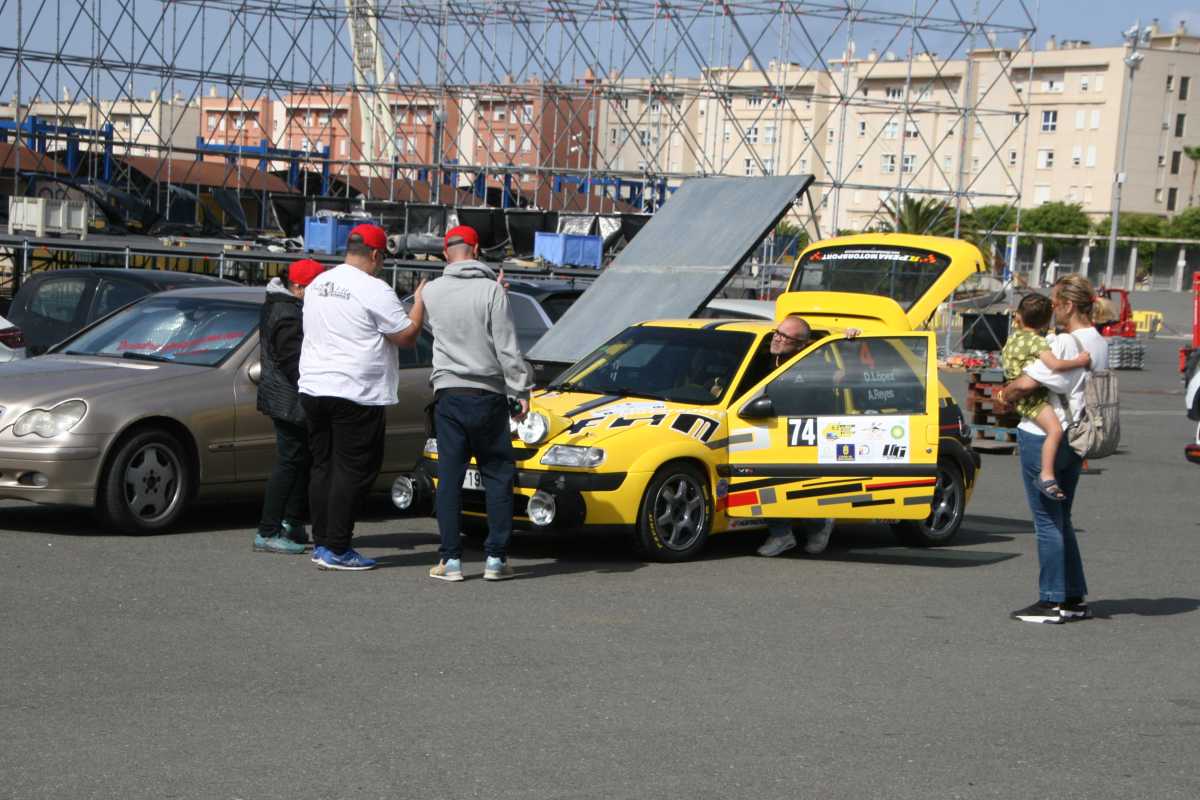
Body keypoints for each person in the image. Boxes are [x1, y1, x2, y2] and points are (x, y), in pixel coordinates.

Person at [298, 224, 425, 571]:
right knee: (354, 470)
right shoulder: (374, 288)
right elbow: (406, 336)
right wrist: (419, 303)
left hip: (314, 386)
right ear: (375, 255)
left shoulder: (318, 283)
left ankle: (323, 542)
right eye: (382, 259)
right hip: (355, 390)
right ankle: (338, 547)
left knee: (323, 466)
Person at [423, 225, 533, 582]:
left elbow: (447, 322)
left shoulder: (433, 291)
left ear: (445, 253)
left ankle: (451, 560)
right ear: (476, 249)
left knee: (449, 479)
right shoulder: (492, 291)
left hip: (449, 395)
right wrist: (520, 391)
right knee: (497, 475)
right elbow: (507, 347)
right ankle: (496, 558)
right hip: (487, 394)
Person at [997, 274, 1109, 624]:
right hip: (1078, 436)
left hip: (1043, 434)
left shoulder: (1064, 342)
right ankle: (1073, 597)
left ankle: (1051, 600)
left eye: (1056, 302)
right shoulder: (1099, 342)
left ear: (1069, 305)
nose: (1053, 308)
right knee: (1063, 518)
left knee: (1046, 520)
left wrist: (1005, 393)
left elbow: (1029, 382)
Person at [253, 258, 325, 555]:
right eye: (315, 288)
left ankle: (292, 523)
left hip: (285, 397)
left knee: (299, 460)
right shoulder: (287, 313)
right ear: (297, 287)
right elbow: (291, 360)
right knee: (289, 462)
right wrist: (315, 385)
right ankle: (268, 530)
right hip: (289, 399)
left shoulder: (281, 305)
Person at [756, 314, 837, 558]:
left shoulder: (815, 364)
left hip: (806, 429)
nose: (778, 339)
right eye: (777, 333)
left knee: (803, 483)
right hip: (768, 428)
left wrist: (851, 339)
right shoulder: (763, 358)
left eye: (785, 337)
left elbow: (841, 375)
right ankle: (781, 534)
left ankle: (819, 525)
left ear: (801, 344)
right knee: (764, 481)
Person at [1000, 293, 1091, 501]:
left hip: (1019, 396)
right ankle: (1047, 474)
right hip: (1033, 399)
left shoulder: (1013, 339)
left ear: (1018, 316)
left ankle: (1047, 473)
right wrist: (1079, 361)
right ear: (1045, 322)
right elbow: (1055, 365)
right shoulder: (1038, 343)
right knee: (1055, 430)